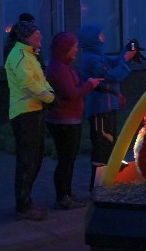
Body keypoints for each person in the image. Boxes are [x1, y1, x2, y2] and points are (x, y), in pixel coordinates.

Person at [44, 32, 103, 210]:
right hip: (64, 120)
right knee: (66, 159)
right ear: (66, 49)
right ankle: (63, 196)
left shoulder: (61, 66)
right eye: (74, 47)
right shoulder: (60, 69)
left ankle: (66, 193)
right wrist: (90, 85)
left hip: (66, 118)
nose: (77, 50)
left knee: (68, 159)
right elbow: (71, 94)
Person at [4, 20, 55, 221]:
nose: (40, 37)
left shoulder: (30, 55)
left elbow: (39, 80)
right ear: (26, 37)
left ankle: (27, 203)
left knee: (35, 158)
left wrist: (49, 93)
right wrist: (50, 97)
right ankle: (23, 207)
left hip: (33, 110)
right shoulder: (20, 56)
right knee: (28, 160)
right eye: (36, 34)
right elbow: (28, 84)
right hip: (24, 114)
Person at [77, 25, 136, 190]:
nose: (103, 38)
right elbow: (112, 75)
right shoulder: (91, 59)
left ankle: (106, 182)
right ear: (92, 39)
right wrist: (125, 60)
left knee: (108, 142)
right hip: (100, 108)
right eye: (100, 35)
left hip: (107, 106)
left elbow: (113, 62)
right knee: (102, 145)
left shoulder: (96, 55)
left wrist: (125, 53)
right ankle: (97, 186)